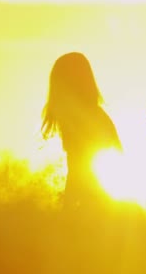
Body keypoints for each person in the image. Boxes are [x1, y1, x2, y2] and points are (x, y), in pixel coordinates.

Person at [42, 52, 122, 210]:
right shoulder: (93, 115)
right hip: (103, 199)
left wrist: (70, 207)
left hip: (97, 202)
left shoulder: (81, 119)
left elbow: (80, 168)